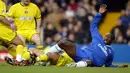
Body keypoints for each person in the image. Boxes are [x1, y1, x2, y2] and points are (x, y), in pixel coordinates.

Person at [36, 4, 128, 68]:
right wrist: (99, 14)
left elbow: (109, 65)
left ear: (111, 41)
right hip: (82, 53)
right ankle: (43, 57)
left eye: (109, 37)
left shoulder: (111, 52)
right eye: (106, 35)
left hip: (91, 62)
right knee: (63, 42)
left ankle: (74, 66)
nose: (106, 37)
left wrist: (118, 66)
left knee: (89, 61)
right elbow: (93, 25)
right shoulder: (98, 37)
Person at [0, 0, 28, 64]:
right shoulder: (1, 3)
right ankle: (20, 60)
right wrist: (10, 25)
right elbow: (1, 18)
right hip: (2, 30)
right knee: (20, 43)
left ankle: (21, 59)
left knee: (7, 45)